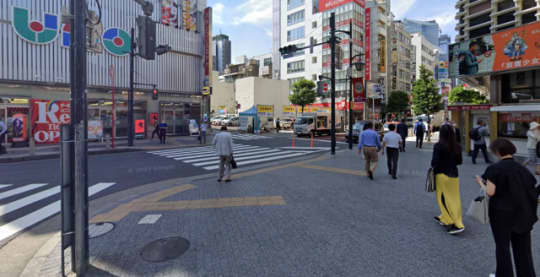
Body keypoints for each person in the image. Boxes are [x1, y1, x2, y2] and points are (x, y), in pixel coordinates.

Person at [475, 139, 537, 277]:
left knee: (503, 247)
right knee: (523, 249)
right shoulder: (522, 169)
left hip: (501, 214)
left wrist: (480, 182)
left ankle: (503, 274)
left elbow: (490, 192)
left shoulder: (494, 169)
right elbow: (531, 187)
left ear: (497, 152)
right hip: (523, 213)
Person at [432, 124, 465, 235]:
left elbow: (434, 162)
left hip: (441, 175)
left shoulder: (439, 145)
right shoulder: (457, 146)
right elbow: (459, 161)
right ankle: (445, 217)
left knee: (442, 198)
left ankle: (457, 223)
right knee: (454, 198)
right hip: (454, 174)